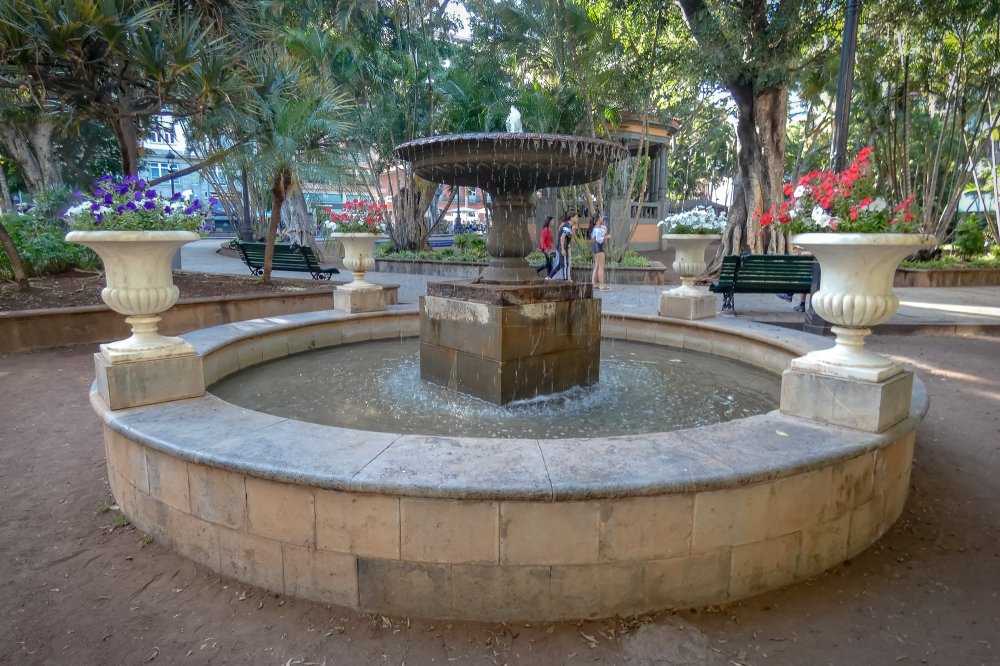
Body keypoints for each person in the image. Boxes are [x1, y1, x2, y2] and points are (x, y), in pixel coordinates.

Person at [546, 212, 576, 281]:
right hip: (563, 247)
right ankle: (566, 279)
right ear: (571, 218)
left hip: (563, 246)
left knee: (560, 264)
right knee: (565, 264)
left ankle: (549, 277)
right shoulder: (567, 225)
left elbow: (569, 235)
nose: (577, 219)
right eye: (576, 217)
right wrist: (562, 249)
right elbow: (562, 237)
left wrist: (573, 229)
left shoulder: (569, 225)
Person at [591, 215, 611, 291]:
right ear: (596, 221)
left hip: (595, 248)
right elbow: (599, 239)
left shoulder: (596, 228)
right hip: (599, 248)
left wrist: (603, 222)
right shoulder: (597, 230)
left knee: (597, 266)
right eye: (600, 218)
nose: (601, 219)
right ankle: (602, 285)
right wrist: (606, 237)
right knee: (601, 267)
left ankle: (594, 284)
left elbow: (604, 229)